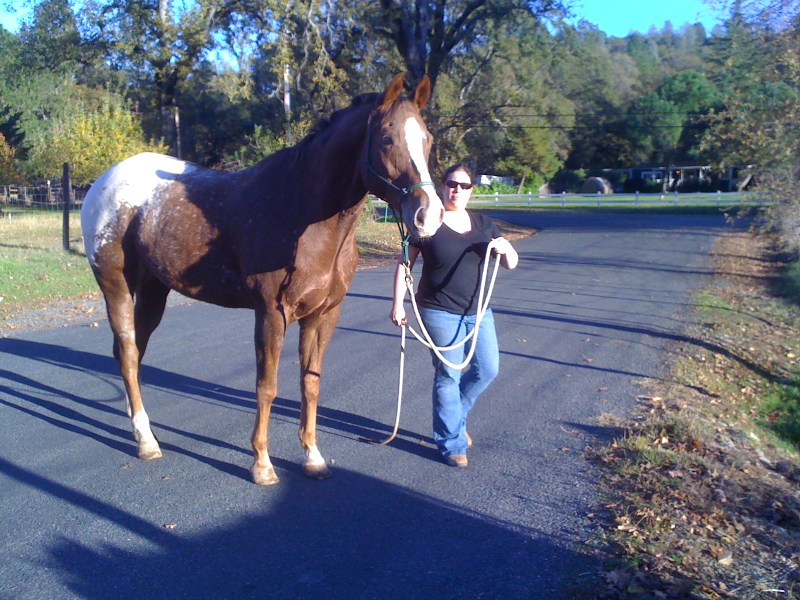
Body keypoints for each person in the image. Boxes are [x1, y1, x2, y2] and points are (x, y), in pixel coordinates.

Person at [390, 164, 518, 467]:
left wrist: (505, 247)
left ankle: (455, 418)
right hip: (438, 312)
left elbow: (511, 263)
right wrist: (398, 304)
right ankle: (451, 443)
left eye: (464, 185)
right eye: (451, 184)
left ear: (471, 190)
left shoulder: (485, 224)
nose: (457, 190)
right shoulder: (426, 222)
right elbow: (403, 264)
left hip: (480, 312)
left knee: (487, 369)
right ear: (442, 187)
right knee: (448, 375)